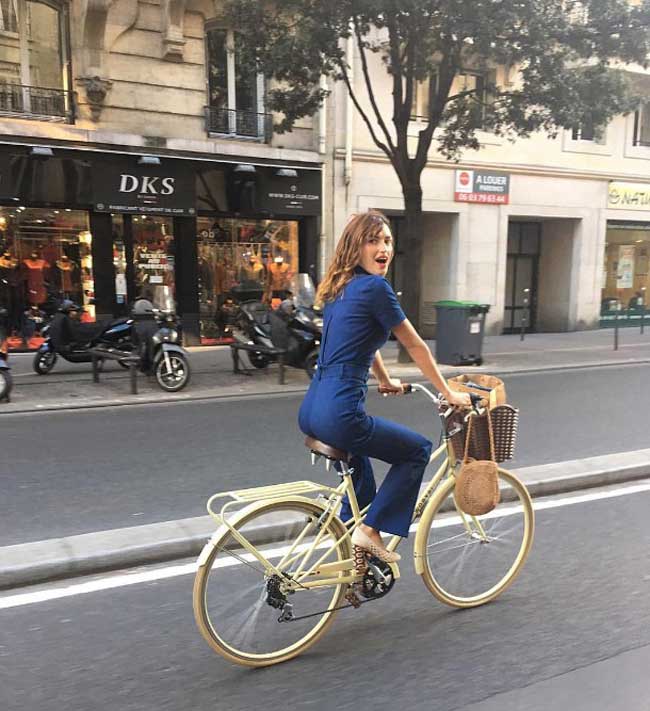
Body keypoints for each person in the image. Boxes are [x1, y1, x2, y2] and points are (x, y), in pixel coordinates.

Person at [298, 211, 471, 563]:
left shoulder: (339, 287)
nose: (384, 248)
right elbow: (415, 344)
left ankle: (351, 557)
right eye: (373, 240)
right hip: (341, 414)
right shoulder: (376, 288)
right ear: (354, 247)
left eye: (388, 241)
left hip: (313, 410)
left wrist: (383, 378)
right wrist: (448, 392)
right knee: (416, 451)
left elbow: (360, 340)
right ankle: (369, 534)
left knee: (360, 487)